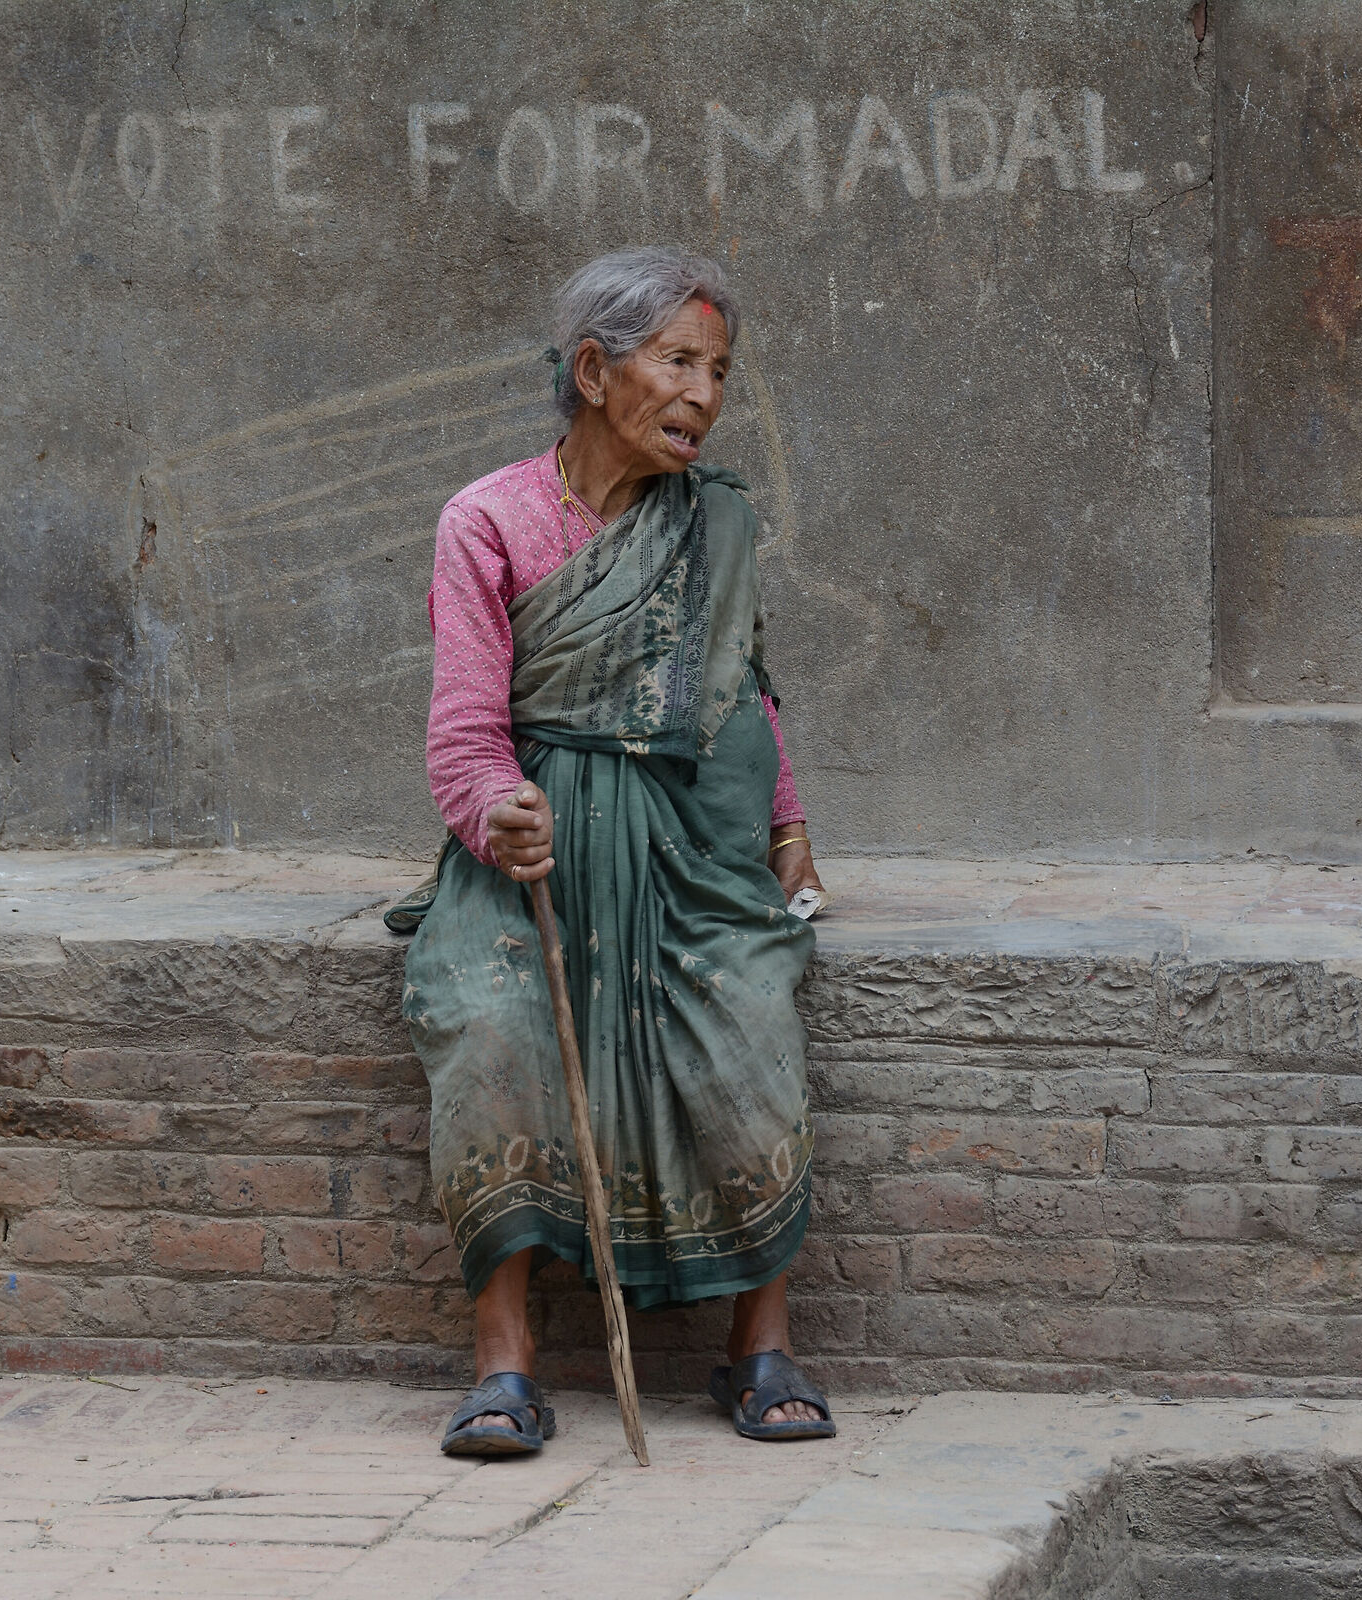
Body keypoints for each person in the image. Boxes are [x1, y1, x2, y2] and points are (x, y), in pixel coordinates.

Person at [390, 246, 835, 1456]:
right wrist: (498, 810)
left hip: (691, 848)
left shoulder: (718, 523)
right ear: (593, 371)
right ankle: (504, 1361)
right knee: (488, 1025)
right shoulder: (488, 520)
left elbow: (744, 690)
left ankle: (761, 1342)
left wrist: (788, 828)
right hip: (530, 859)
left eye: (719, 371)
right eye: (678, 362)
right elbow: (465, 731)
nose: (704, 394)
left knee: (748, 1010)